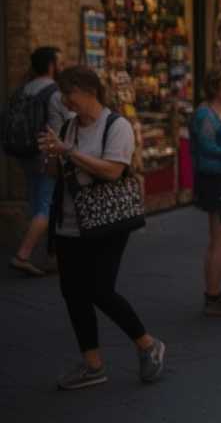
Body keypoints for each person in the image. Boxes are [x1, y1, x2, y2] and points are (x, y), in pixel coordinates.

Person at [37, 66, 165, 389]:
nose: (65, 101)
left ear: (90, 92)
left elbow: (112, 171)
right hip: (69, 224)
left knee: (99, 289)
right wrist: (53, 153)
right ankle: (91, 364)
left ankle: (148, 344)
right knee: (74, 294)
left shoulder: (116, 126)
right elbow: (54, 174)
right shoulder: (68, 127)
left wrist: (68, 152)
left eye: (69, 94)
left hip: (107, 224)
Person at [9, 46, 69, 276]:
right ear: (52, 66)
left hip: (25, 153)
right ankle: (23, 255)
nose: (62, 67)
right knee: (45, 205)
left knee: (36, 201)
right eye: (60, 63)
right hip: (46, 153)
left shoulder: (24, 89)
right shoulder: (55, 92)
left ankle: (37, 253)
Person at [190, 66, 221, 315]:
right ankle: (212, 295)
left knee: (219, 241)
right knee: (220, 241)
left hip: (218, 177)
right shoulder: (205, 115)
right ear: (215, 88)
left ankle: (213, 292)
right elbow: (208, 147)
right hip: (215, 180)